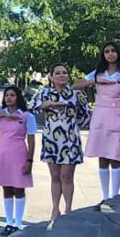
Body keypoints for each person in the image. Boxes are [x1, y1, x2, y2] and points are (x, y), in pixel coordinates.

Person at [72, 42, 120, 206]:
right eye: (107, 51)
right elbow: (76, 85)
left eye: (113, 51)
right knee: (102, 157)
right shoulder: (97, 74)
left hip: (117, 116)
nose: (110, 54)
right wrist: (91, 82)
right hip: (100, 116)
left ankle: (115, 196)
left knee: (115, 157)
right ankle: (105, 197)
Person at [30, 64, 90, 223]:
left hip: (70, 140)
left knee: (66, 176)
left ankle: (68, 209)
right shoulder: (44, 93)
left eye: (64, 72)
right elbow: (31, 108)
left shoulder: (77, 94)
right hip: (51, 140)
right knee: (55, 176)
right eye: (57, 73)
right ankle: (55, 209)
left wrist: (71, 124)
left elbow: (86, 116)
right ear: (51, 76)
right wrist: (46, 105)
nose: (62, 75)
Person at [0, 86, 36, 237]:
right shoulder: (0, 114)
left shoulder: (26, 116)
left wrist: (30, 160)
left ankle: (18, 223)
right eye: (6, 95)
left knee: (19, 188)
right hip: (2, 154)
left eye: (12, 95)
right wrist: (2, 114)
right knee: (6, 188)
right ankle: (9, 222)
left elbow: (31, 140)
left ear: (18, 97)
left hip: (19, 154)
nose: (9, 98)